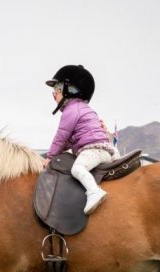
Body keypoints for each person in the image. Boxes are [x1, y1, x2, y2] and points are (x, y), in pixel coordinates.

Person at [45, 65, 116, 215]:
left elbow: (61, 136)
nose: (54, 95)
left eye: (56, 90)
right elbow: (70, 141)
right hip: (104, 148)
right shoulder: (83, 109)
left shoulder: (71, 110)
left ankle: (94, 192)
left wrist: (50, 157)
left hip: (93, 150)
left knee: (77, 169)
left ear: (68, 90)